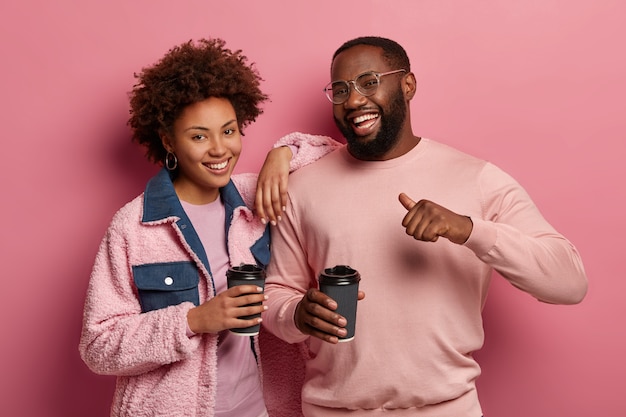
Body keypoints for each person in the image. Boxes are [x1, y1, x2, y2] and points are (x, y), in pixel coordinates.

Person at [261, 36, 588, 416]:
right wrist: (295, 315)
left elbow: (570, 282)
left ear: (408, 84)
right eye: (340, 89)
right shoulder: (303, 186)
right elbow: (277, 293)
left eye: (369, 81)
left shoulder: (477, 179)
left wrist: (468, 230)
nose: (352, 101)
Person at [78, 38, 340, 417]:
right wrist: (195, 320)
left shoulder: (255, 198)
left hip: (263, 408)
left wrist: (280, 154)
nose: (220, 149)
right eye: (199, 136)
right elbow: (98, 347)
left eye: (229, 131)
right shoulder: (135, 226)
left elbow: (335, 153)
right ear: (168, 140)